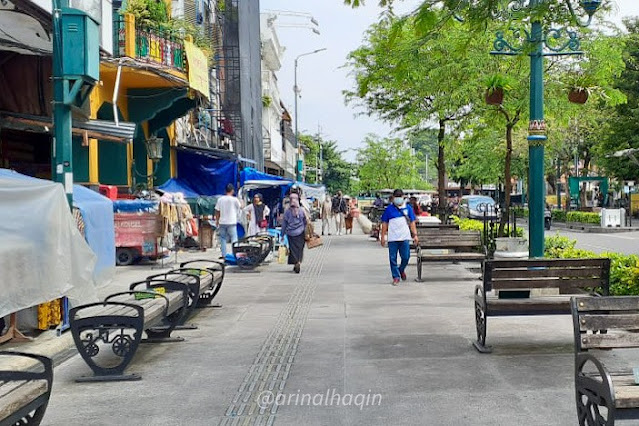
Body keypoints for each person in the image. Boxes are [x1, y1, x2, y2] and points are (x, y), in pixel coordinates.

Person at [380, 189, 419, 286]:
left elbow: (412, 223)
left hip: (405, 237)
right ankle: (396, 277)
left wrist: (415, 235)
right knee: (393, 258)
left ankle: (401, 270)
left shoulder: (408, 208)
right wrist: (382, 237)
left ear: (403, 197)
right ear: (393, 198)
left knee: (406, 257)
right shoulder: (389, 209)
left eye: (399, 196)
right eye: (396, 197)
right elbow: (384, 223)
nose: (398, 199)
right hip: (393, 238)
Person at [281, 192, 307, 273]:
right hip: (301, 233)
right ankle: (298, 261)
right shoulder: (302, 210)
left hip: (291, 233)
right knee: (300, 249)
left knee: (293, 249)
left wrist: (282, 234)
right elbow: (306, 221)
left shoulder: (287, 211)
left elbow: (284, 224)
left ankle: (296, 262)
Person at [215, 183, 241, 258]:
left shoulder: (220, 199)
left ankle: (224, 255)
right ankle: (235, 254)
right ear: (232, 191)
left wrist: (217, 220)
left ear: (225, 190)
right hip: (232, 222)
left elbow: (217, 211)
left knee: (222, 239)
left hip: (222, 222)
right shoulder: (234, 200)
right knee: (234, 238)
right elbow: (240, 207)